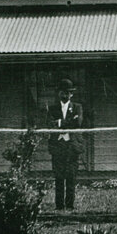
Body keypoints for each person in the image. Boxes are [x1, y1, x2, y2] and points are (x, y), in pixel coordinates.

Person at [47, 79, 85, 210]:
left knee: (71, 177)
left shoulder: (77, 107)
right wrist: (67, 122)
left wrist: (59, 123)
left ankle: (69, 206)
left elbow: (78, 123)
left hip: (72, 146)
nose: (65, 95)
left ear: (72, 94)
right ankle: (59, 206)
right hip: (57, 146)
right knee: (59, 177)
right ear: (59, 93)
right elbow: (50, 124)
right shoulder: (52, 109)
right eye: (63, 92)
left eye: (68, 93)